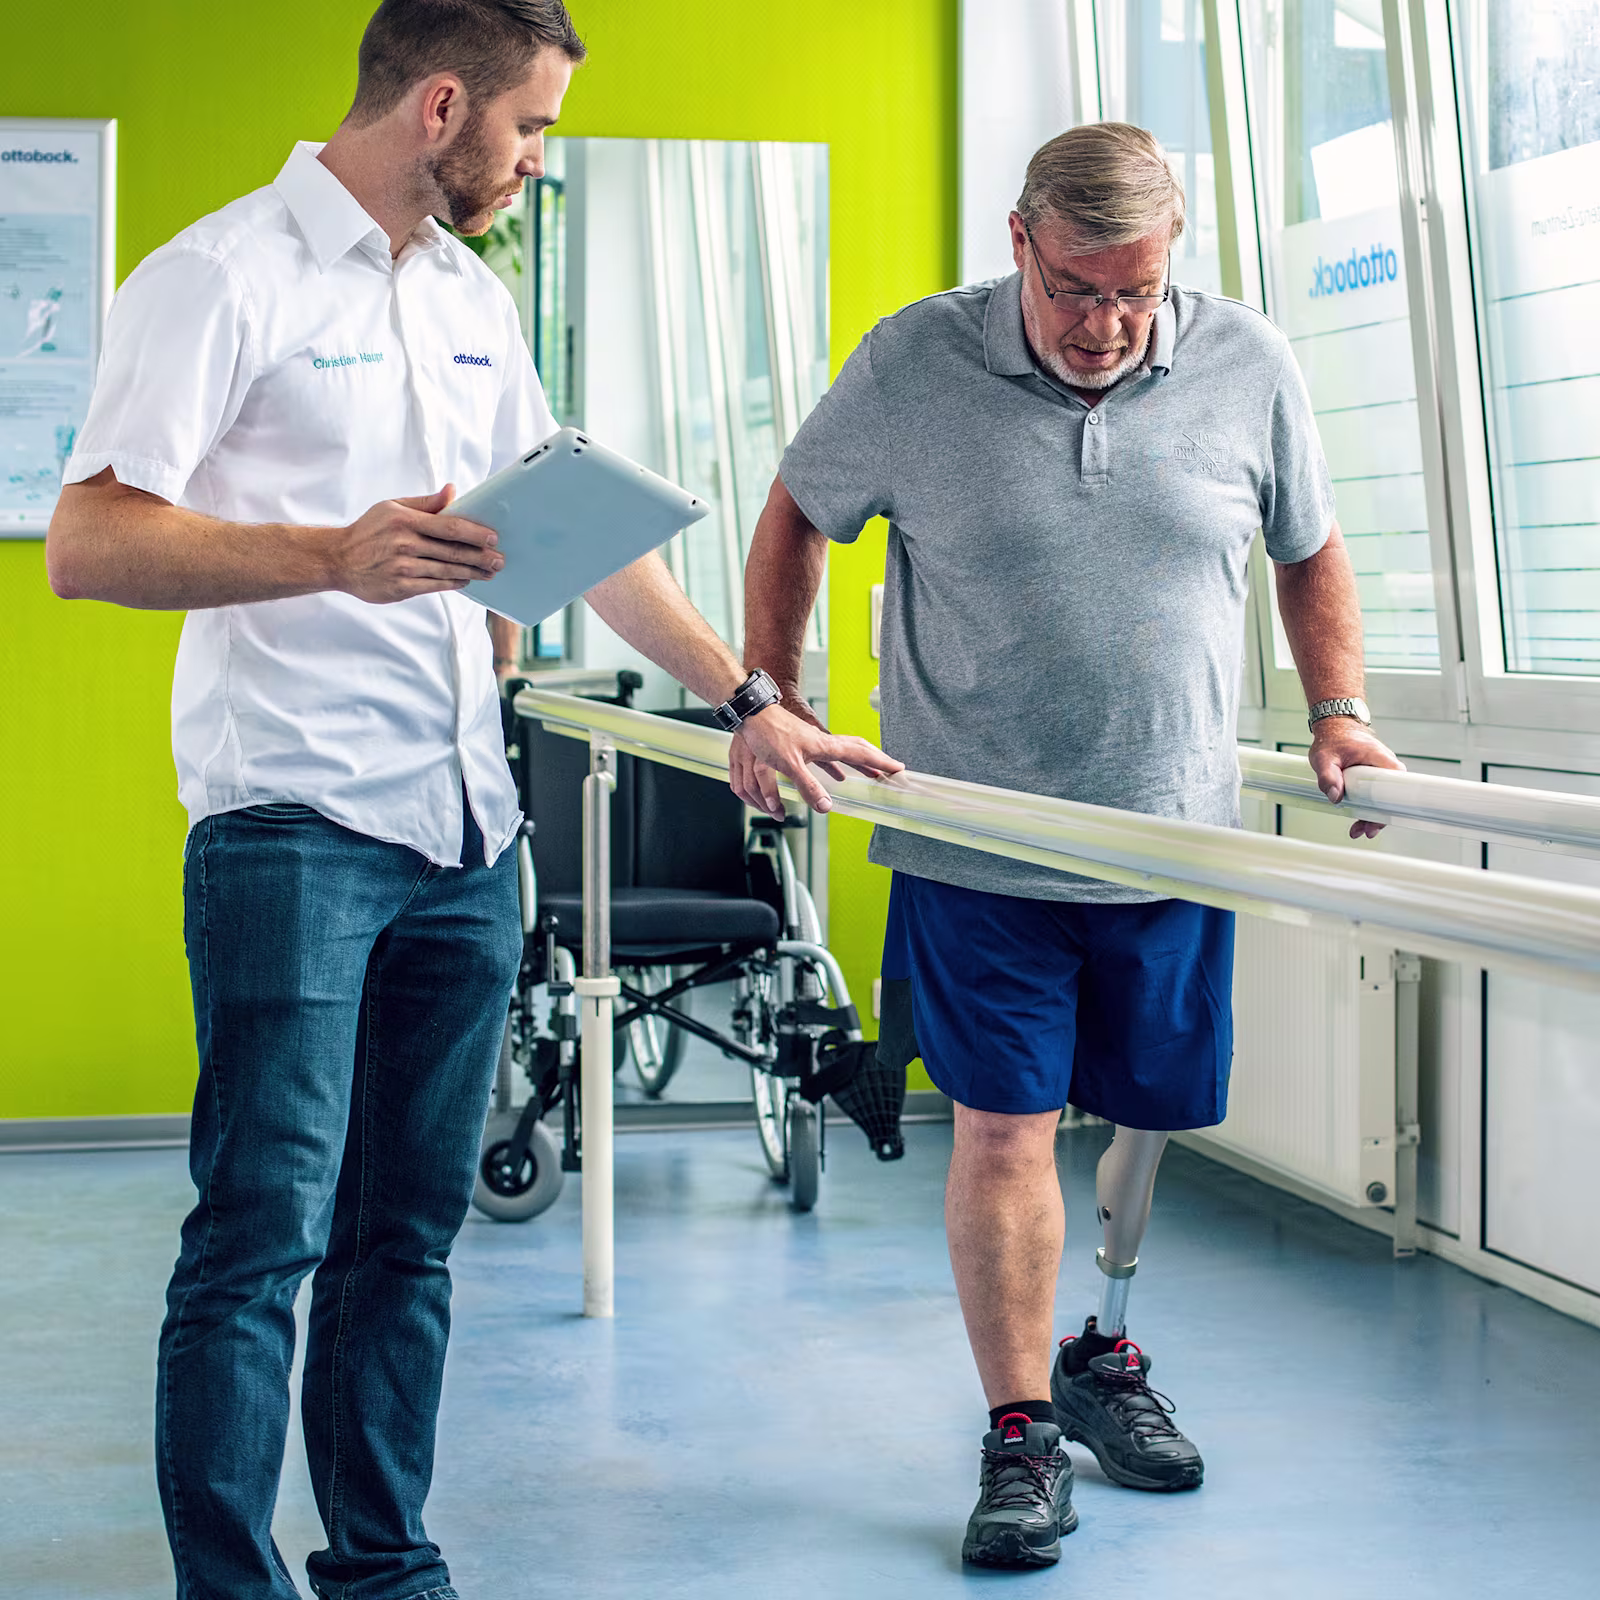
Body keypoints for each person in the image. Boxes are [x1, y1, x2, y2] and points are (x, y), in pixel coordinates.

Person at [46, 3, 896, 1596]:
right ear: (442, 104)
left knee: (404, 1241)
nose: (534, 158)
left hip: (462, 834)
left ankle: (382, 1564)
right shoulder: (220, 277)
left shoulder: (469, 300)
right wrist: (326, 554)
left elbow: (576, 544)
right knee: (259, 1240)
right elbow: (87, 543)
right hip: (293, 826)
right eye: (531, 128)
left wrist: (749, 699)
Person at [732, 121, 1402, 1569]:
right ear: (1020, 243)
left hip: (1174, 844)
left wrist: (1340, 711)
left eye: (1135, 294)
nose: (1105, 325)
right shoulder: (915, 364)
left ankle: (1101, 1353)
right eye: (1077, 288)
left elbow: (1310, 543)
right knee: (1004, 1128)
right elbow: (796, 511)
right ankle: (1023, 1430)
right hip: (978, 840)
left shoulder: (1248, 364)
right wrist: (773, 695)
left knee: (1152, 1108)